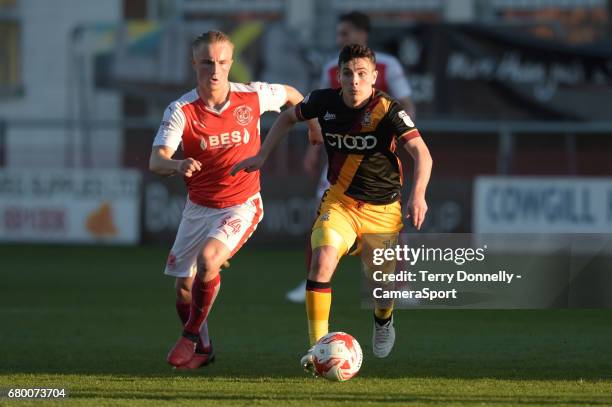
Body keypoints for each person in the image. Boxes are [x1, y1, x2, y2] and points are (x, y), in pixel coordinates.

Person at [231, 44, 432, 371]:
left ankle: (383, 322)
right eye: (349, 73)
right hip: (340, 203)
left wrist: (418, 194)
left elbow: (422, 153)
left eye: (362, 74)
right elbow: (286, 118)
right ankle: (316, 348)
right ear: (339, 76)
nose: (355, 80)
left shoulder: (387, 109)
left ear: (373, 77)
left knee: (381, 287)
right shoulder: (323, 101)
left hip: (383, 210)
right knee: (322, 262)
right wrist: (262, 155)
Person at [149, 30, 318, 369]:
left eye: (223, 62)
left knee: (209, 261)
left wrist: (313, 126)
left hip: (242, 203)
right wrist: (178, 163)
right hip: (198, 208)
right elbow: (156, 161)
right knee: (184, 287)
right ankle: (205, 348)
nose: (215, 70)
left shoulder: (251, 96)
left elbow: (292, 95)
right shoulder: (181, 110)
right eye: (207, 62)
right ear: (194, 63)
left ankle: (191, 336)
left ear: (231, 63)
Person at [286, 10, 417, 303]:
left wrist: (400, 134)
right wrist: (312, 150)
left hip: (376, 161)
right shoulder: (333, 67)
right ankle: (312, 280)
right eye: (339, 34)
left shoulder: (387, 64)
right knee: (320, 216)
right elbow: (318, 113)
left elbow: (406, 102)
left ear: (362, 35)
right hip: (340, 159)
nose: (339, 39)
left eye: (345, 33)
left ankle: (402, 284)